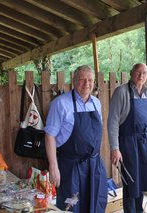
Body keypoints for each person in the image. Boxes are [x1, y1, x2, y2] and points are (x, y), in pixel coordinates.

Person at [44, 65, 107, 213]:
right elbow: (49, 136)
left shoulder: (96, 103)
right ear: (73, 81)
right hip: (71, 168)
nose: (87, 83)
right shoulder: (60, 103)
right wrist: (53, 167)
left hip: (94, 165)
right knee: (71, 206)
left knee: (96, 204)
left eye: (90, 80)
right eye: (82, 80)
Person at [107, 63, 147, 213]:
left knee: (142, 180)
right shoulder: (121, 92)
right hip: (128, 144)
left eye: (144, 73)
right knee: (130, 183)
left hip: (145, 144)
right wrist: (115, 148)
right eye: (138, 72)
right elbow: (113, 122)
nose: (141, 76)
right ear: (131, 73)